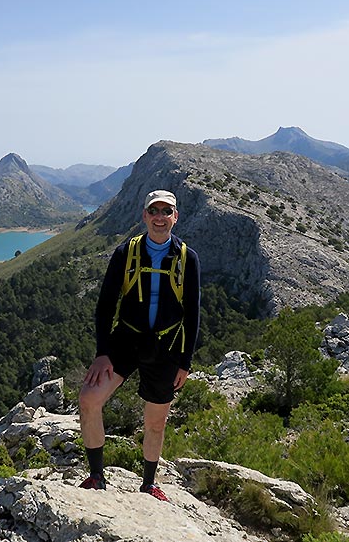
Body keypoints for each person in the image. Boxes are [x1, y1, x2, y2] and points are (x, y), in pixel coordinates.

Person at [79, 189, 201, 502]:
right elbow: (106, 304)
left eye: (166, 211)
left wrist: (185, 363)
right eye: (154, 211)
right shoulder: (125, 253)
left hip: (167, 346)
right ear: (145, 216)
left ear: (175, 216)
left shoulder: (187, 259)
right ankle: (96, 476)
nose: (160, 217)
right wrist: (102, 353)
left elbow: (193, 313)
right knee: (90, 399)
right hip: (126, 339)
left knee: (155, 422)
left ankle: (148, 484)